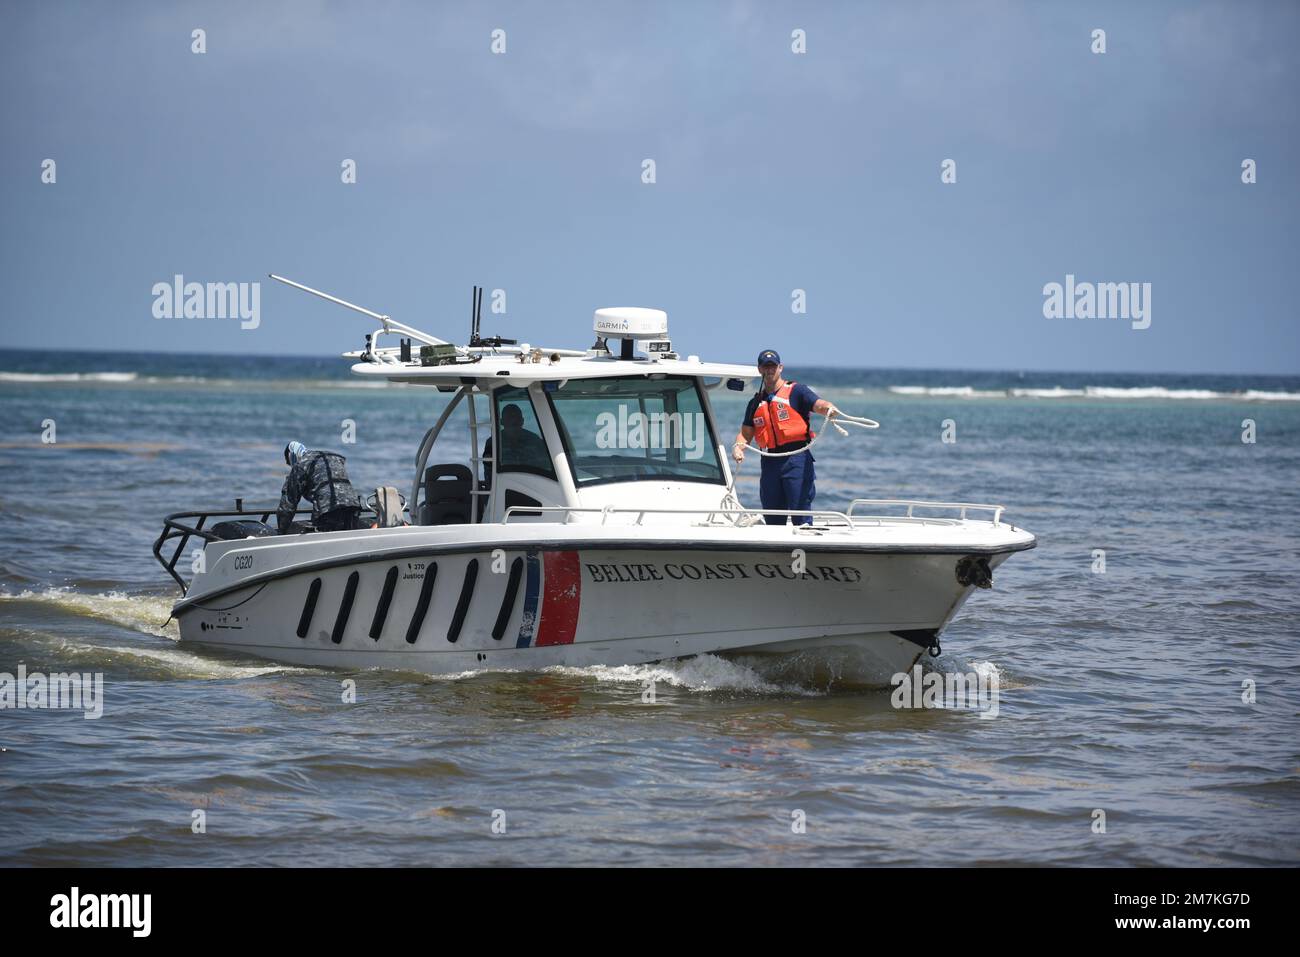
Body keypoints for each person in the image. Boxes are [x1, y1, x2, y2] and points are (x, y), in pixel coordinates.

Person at [732, 350, 840, 526]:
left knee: (800, 512)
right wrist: (738, 447)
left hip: (797, 459)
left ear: (780, 368)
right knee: (772, 513)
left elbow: (817, 404)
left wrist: (828, 408)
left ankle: (805, 545)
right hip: (770, 461)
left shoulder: (796, 391)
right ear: (759, 369)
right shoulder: (755, 403)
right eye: (765, 367)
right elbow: (745, 433)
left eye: (773, 366)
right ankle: (776, 551)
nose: (769, 370)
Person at [277, 441, 362, 533]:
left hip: (327, 510)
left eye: (288, 462)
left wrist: (281, 531)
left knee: (325, 543)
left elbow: (288, 504)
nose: (290, 466)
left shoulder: (300, 465)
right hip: (353, 505)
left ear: (291, 456)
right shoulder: (330, 457)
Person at [482, 403, 551, 483]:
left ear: (522, 421)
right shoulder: (492, 442)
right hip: (503, 486)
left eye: (516, 418)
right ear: (501, 422)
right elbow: (488, 471)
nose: (513, 421)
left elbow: (546, 466)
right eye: (509, 418)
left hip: (533, 485)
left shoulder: (535, 441)